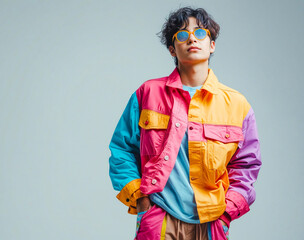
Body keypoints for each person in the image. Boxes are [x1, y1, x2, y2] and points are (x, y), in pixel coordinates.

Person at [108, 6, 261, 240]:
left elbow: (246, 165)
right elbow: (122, 150)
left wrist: (227, 213)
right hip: (159, 218)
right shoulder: (147, 94)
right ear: (172, 49)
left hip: (211, 222)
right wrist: (141, 200)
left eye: (200, 33)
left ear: (212, 45)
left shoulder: (237, 105)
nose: (191, 38)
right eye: (182, 35)